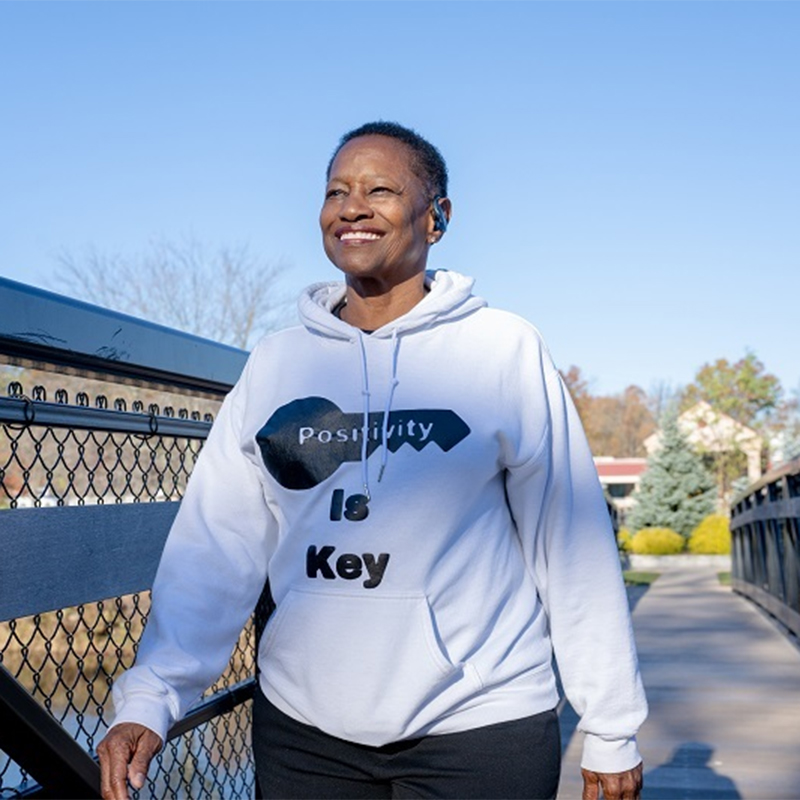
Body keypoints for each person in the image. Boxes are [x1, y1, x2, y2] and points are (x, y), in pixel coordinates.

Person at [98, 121, 647, 800]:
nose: (351, 207)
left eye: (380, 189)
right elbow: (216, 545)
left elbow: (570, 544)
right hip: (305, 731)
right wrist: (149, 698)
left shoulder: (503, 350)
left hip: (480, 723)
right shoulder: (277, 363)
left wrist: (612, 721)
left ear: (437, 217)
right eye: (336, 192)